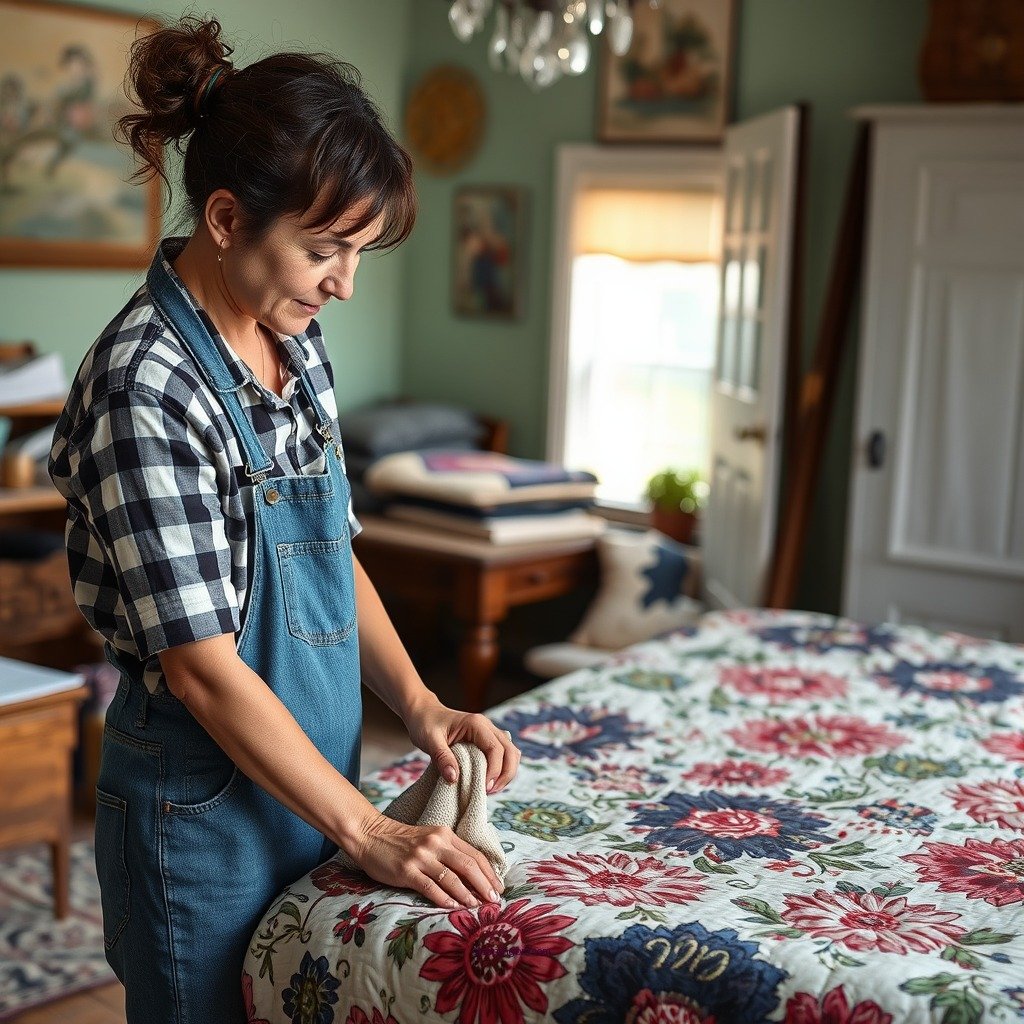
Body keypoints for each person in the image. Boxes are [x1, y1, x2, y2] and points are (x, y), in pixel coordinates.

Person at [47, 15, 519, 1024]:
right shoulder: (146, 386)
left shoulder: (294, 348)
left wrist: (421, 704)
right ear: (225, 219)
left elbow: (330, 555)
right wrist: (369, 830)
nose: (343, 283)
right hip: (199, 815)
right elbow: (200, 667)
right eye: (322, 250)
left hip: (310, 779)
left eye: (357, 252)